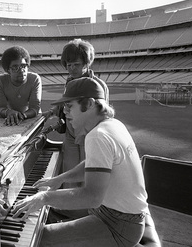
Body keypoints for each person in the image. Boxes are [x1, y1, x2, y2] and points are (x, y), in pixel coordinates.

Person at [12, 77, 150, 247]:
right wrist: (61, 178)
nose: (65, 112)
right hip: (118, 216)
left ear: (90, 104)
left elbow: (92, 197)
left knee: (39, 239)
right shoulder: (113, 124)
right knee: (49, 221)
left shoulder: (97, 136)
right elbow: (91, 165)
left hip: (119, 225)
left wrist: (44, 197)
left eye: (70, 106)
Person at [44, 38, 109, 187]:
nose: (72, 69)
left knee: (88, 174)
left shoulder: (99, 86)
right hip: (71, 133)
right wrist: (54, 110)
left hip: (89, 135)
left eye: (76, 64)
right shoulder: (69, 82)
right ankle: (68, 209)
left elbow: (104, 114)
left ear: (87, 63)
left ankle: (86, 209)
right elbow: (66, 104)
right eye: (69, 65)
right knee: (69, 170)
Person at [0, 46, 42, 126]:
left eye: (23, 66)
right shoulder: (0, 81)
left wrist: (22, 116)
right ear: (7, 70)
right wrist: (8, 112)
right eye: (15, 67)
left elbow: (34, 108)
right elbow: (0, 108)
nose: (21, 70)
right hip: (10, 117)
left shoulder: (35, 79)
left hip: (31, 119)